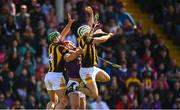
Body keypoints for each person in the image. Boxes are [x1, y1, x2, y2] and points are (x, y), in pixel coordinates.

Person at [68, 6, 113, 99]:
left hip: (92, 68)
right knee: (95, 94)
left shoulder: (84, 37)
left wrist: (91, 14)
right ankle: (75, 87)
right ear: (85, 33)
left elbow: (90, 25)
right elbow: (101, 39)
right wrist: (109, 35)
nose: (90, 30)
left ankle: (85, 82)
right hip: (87, 71)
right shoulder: (86, 39)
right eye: (89, 31)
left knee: (107, 78)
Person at [44, 14, 83, 109]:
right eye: (59, 37)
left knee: (53, 101)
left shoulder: (51, 47)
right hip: (57, 76)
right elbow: (70, 57)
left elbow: (63, 34)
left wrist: (69, 23)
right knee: (64, 101)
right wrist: (78, 51)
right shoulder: (60, 47)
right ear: (55, 39)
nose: (62, 37)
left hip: (48, 76)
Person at [64, 41, 86, 109]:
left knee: (82, 108)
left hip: (82, 83)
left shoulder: (79, 54)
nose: (70, 44)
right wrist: (78, 51)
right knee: (75, 107)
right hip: (73, 83)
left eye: (71, 43)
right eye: (67, 44)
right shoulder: (66, 55)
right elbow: (69, 58)